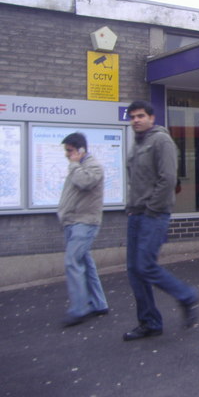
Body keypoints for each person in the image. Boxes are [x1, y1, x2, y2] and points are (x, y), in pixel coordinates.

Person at [123, 100, 199, 341]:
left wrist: (151, 209)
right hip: (136, 214)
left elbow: (167, 179)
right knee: (135, 270)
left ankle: (186, 296)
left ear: (151, 118)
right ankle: (149, 323)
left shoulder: (161, 140)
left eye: (140, 116)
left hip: (153, 215)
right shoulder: (137, 144)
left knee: (145, 265)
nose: (136, 120)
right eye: (133, 116)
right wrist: (133, 208)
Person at [57, 132, 109, 327]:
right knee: (85, 263)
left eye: (69, 151)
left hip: (84, 222)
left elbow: (85, 182)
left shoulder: (92, 166)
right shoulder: (78, 166)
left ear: (80, 150)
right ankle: (99, 303)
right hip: (73, 221)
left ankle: (80, 309)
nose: (67, 155)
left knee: (72, 261)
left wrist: (74, 164)